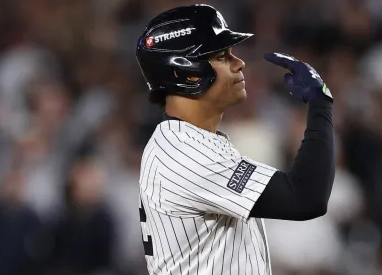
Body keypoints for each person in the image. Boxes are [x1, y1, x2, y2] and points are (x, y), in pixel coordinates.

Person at [135, 4, 335, 275]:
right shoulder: (185, 154)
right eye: (222, 56)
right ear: (188, 72)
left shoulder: (188, 141)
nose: (238, 63)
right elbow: (306, 197)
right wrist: (320, 105)